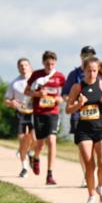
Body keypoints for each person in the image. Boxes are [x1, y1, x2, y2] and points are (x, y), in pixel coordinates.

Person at [65, 56, 102, 203]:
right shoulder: (77, 87)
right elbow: (68, 109)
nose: (91, 74)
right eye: (89, 71)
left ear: (98, 71)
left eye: (94, 71)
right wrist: (79, 104)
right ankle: (91, 196)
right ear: (83, 71)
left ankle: (101, 186)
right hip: (84, 130)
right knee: (90, 165)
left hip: (101, 128)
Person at [25, 50, 67, 185]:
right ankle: (35, 157)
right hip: (39, 112)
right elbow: (26, 91)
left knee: (52, 140)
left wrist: (61, 98)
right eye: (48, 64)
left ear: (55, 63)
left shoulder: (60, 76)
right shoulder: (36, 75)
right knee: (40, 144)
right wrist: (37, 94)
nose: (50, 66)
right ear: (43, 63)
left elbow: (66, 94)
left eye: (52, 64)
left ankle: (50, 174)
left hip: (53, 112)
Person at [63, 45, 99, 188]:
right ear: (81, 57)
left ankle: (93, 173)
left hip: (97, 115)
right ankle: (87, 174)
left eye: (91, 54)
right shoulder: (74, 74)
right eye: (86, 55)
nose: (88, 57)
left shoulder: (97, 72)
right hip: (79, 114)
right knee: (83, 148)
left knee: (97, 146)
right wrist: (76, 103)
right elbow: (65, 95)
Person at [4, 58, 36, 177]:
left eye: (26, 65)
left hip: (34, 112)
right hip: (21, 113)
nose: (23, 67)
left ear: (29, 66)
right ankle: (24, 168)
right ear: (18, 68)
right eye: (21, 65)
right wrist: (11, 103)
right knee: (22, 139)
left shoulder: (36, 80)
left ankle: (31, 152)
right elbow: (7, 99)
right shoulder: (14, 83)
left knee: (35, 137)